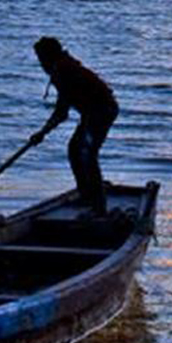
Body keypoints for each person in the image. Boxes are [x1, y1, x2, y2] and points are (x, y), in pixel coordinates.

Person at [28, 37, 118, 215]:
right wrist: (42, 132)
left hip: (102, 111)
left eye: (41, 58)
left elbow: (61, 112)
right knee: (74, 149)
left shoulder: (64, 71)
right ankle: (87, 195)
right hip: (91, 113)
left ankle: (98, 207)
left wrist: (42, 132)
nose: (40, 64)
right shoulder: (60, 69)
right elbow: (62, 112)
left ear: (49, 56)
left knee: (87, 153)